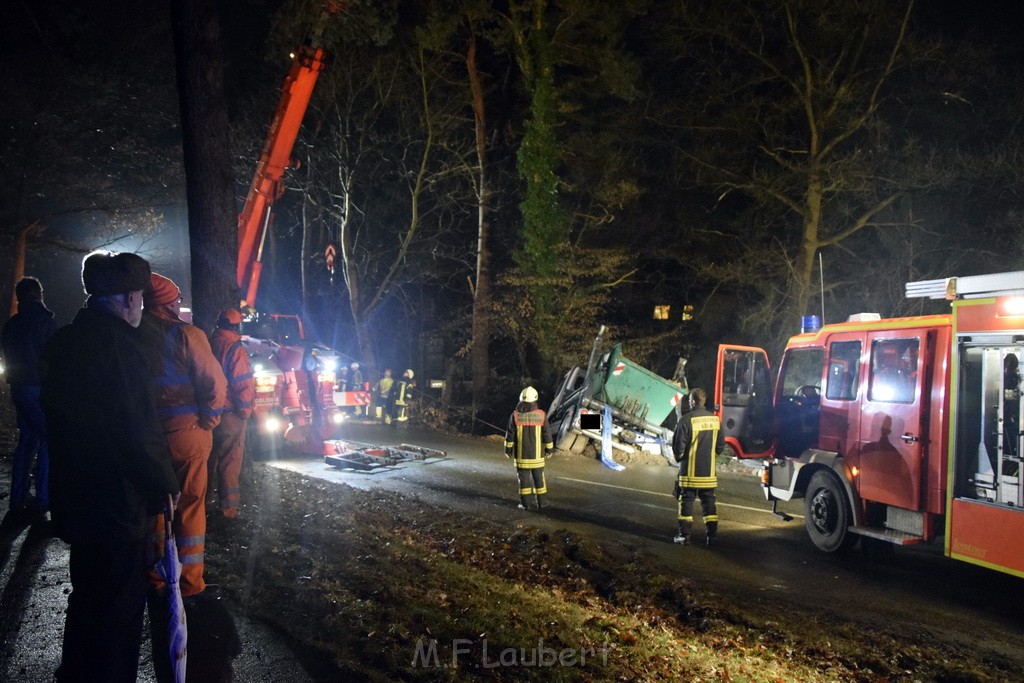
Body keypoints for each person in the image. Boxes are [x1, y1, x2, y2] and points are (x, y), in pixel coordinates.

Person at [41, 251, 180, 682]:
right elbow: (137, 429)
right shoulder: (122, 348)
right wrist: (165, 481)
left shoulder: (64, 342)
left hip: (75, 496)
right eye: (138, 297)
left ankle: (76, 673)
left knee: (87, 595)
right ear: (126, 299)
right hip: (116, 504)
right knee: (119, 607)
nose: (140, 307)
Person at [139, 273, 227, 599]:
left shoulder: (130, 335)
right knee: (190, 507)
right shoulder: (186, 334)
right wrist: (210, 420)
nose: (179, 303)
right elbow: (214, 384)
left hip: (148, 437)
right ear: (168, 302)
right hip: (187, 433)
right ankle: (189, 583)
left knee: (157, 509)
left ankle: (158, 578)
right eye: (176, 298)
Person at [1, 276, 58, 522]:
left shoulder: (12, 325)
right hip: (39, 389)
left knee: (26, 441)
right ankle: (43, 498)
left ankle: (17, 498)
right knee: (48, 439)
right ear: (39, 294)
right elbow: (53, 358)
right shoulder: (46, 322)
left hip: (19, 388)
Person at [208, 308, 255, 520]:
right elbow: (242, 383)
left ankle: (204, 505)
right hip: (230, 415)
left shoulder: (208, 343)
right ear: (236, 326)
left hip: (209, 413)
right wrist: (244, 412)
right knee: (229, 462)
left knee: (209, 461)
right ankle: (228, 510)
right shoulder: (234, 348)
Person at [672, 387, 724, 546]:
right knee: (709, 504)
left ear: (693, 401)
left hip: (689, 474)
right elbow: (720, 446)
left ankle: (684, 536)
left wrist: (681, 459)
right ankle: (712, 537)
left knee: (686, 503)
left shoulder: (686, 420)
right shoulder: (716, 421)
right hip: (708, 475)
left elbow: (678, 448)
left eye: (689, 401)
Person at [504, 386, 554, 510]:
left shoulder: (515, 415)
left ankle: (526, 505)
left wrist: (507, 450)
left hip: (522, 457)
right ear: (535, 399)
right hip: (537, 457)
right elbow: (547, 434)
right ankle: (542, 503)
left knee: (524, 481)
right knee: (539, 480)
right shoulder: (541, 415)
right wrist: (549, 449)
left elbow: (510, 435)